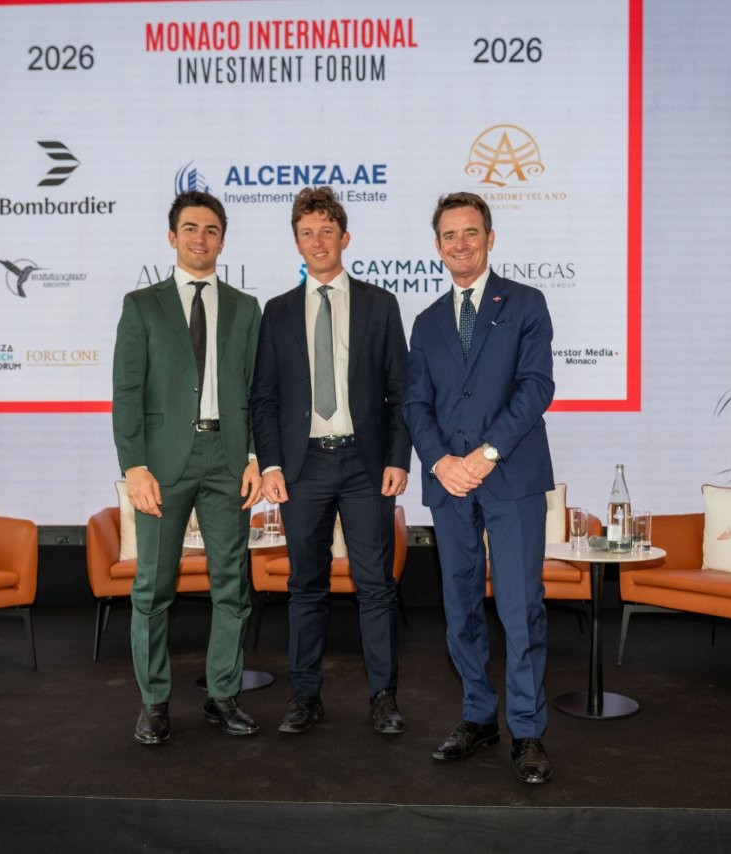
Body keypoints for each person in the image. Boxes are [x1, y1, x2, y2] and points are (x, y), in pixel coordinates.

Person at [403, 192, 556, 784]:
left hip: (510, 476)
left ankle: (528, 731)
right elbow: (416, 403)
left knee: (520, 608)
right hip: (450, 485)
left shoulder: (525, 303)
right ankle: (477, 715)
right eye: (449, 235)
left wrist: (485, 455)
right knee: (459, 606)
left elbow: (536, 386)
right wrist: (441, 461)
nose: (460, 244)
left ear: (490, 238)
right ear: (437, 246)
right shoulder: (427, 322)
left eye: (471, 232)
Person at [250, 187, 412, 736]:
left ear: (345, 238)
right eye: (306, 233)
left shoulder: (379, 304)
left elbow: (401, 391)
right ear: (296, 243)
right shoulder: (276, 312)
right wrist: (271, 465)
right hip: (303, 469)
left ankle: (384, 697)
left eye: (326, 231)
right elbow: (264, 398)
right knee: (306, 588)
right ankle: (305, 697)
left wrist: (399, 458)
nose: (317, 241)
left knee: (376, 588)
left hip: (367, 467)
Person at [112, 190, 263, 745]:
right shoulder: (142, 306)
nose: (202, 238)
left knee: (233, 585)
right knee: (153, 588)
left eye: (212, 230)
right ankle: (154, 703)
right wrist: (134, 466)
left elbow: (257, 391)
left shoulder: (246, 308)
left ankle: (223, 695)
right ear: (172, 237)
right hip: (162, 467)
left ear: (223, 240)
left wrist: (255, 458)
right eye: (191, 228)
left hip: (228, 460)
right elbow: (126, 392)